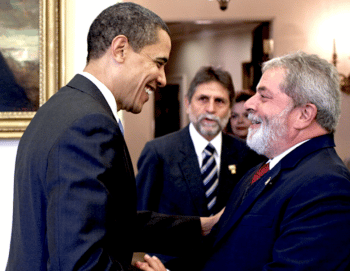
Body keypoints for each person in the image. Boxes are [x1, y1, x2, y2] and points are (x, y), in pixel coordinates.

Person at [6, 3, 221, 271]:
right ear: (120, 49)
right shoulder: (89, 125)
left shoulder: (62, 108)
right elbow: (81, 263)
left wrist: (201, 227)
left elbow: (112, 221)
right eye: (159, 63)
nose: (163, 79)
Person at [138, 51, 350, 271]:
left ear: (304, 114)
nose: (248, 104)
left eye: (263, 96)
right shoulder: (264, 169)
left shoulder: (326, 186)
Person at [136, 66, 264, 218]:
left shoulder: (248, 155)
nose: (210, 108)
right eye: (203, 99)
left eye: (219, 101)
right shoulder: (159, 153)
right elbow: (140, 219)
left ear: (230, 109)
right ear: (187, 104)